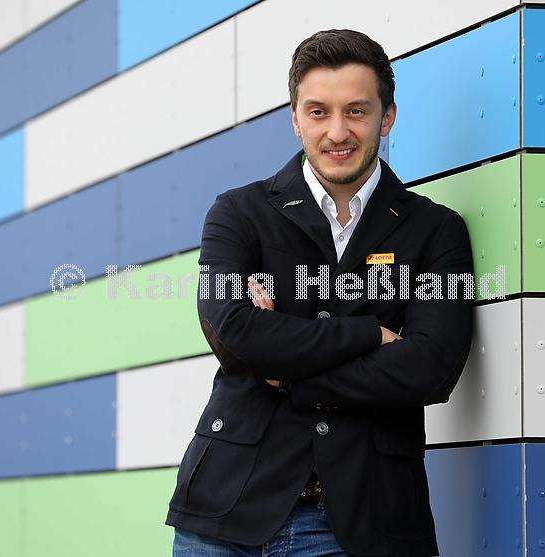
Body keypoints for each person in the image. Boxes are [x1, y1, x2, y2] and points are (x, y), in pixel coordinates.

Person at [166, 28, 474, 557]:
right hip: (225, 515)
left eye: (356, 111)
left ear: (387, 116)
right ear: (295, 119)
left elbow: (432, 366)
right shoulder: (238, 213)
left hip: (365, 520)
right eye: (318, 112)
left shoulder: (436, 230)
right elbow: (232, 328)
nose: (337, 132)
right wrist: (369, 334)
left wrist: (285, 367)